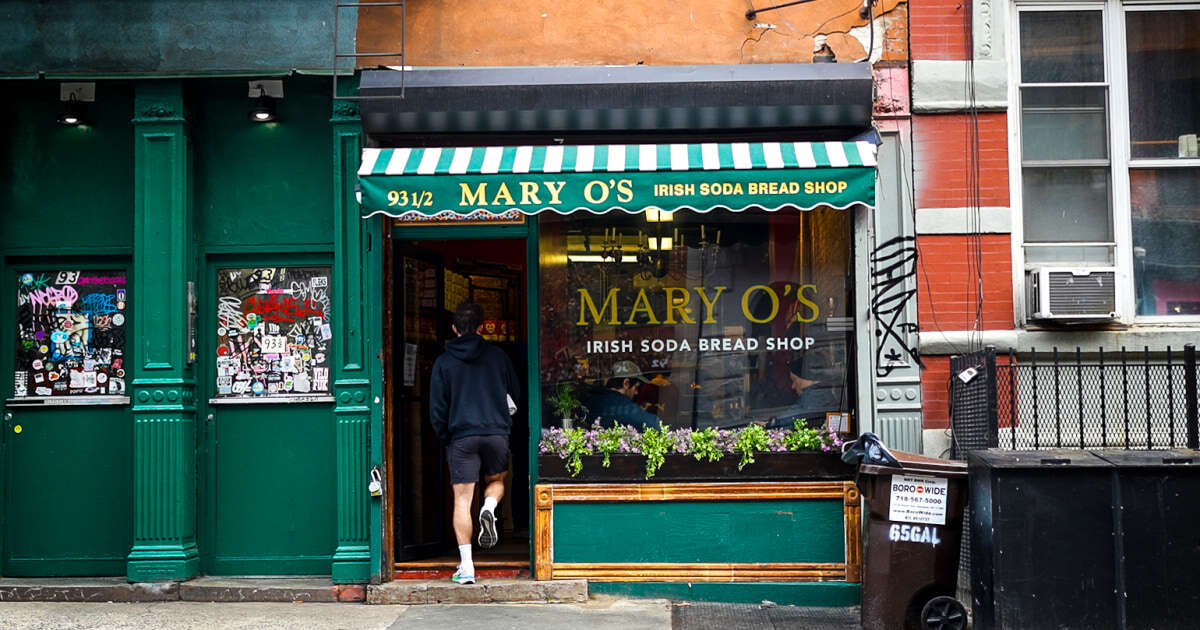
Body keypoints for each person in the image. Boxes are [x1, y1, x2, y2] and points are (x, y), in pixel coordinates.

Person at [430, 302, 520, 586]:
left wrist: (446, 436)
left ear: (454, 328)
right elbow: (515, 395)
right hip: (495, 432)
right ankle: (490, 507)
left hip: (461, 436)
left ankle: (467, 567)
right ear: (482, 327)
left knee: (462, 500)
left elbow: (437, 408)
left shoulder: (443, 362)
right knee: (496, 481)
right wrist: (505, 427)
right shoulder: (498, 357)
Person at [584, 360, 662, 430]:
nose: (636, 393)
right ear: (626, 383)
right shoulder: (625, 406)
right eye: (636, 387)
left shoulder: (592, 400)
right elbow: (653, 425)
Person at [770, 357, 843, 429]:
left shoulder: (813, 397)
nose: (793, 386)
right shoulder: (825, 393)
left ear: (807, 378)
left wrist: (773, 424)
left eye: (795, 380)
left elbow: (791, 419)